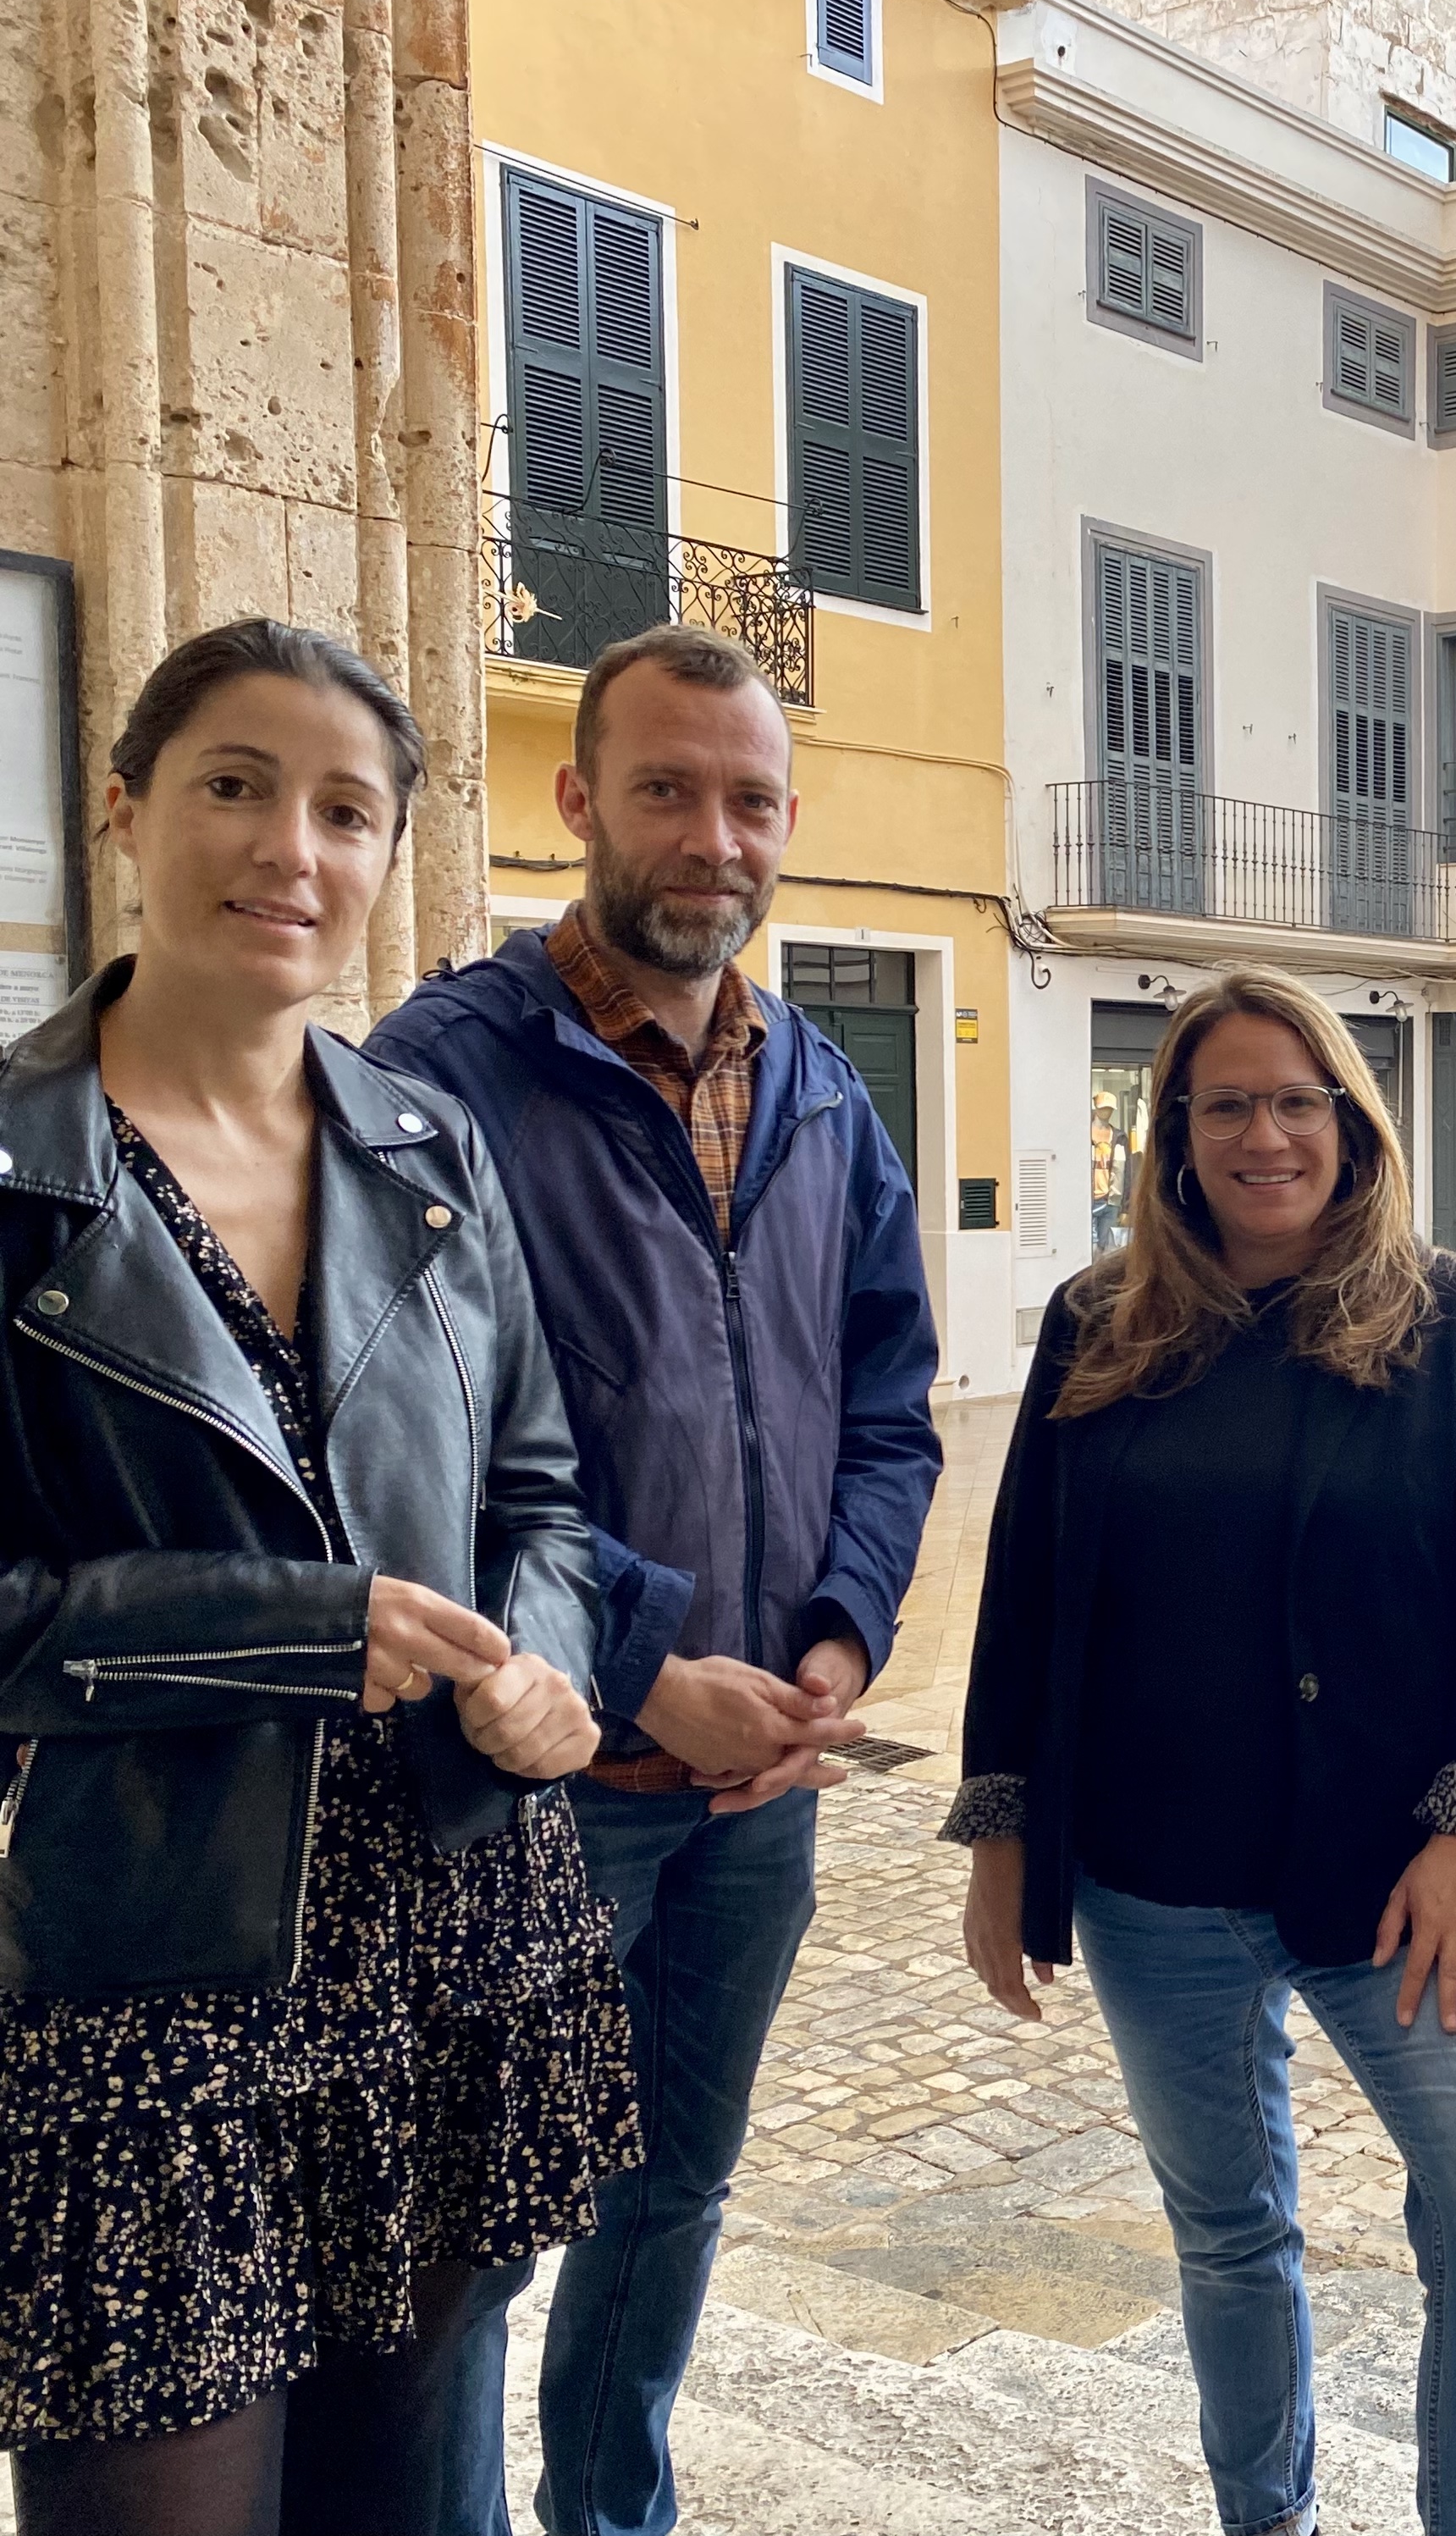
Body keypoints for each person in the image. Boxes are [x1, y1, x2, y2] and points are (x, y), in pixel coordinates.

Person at [0, 618, 631, 2533]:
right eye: (236, 786)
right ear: (127, 810)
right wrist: (295, 1635)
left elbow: (540, 1494)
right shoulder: (16, 1169)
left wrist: (545, 1665)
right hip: (148, 1974)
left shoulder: (428, 1150)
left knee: (407, 2500)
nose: (291, 847)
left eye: (346, 812)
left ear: (389, 857)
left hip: (448, 1929)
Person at [367, 625, 942, 2536]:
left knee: (674, 2189)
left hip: (758, 1797)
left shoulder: (821, 1091)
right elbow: (404, 1447)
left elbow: (886, 1399)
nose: (715, 838)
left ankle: (611, 2516)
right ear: (578, 801)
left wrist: (839, 1635)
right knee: (474, 2235)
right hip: (532, 1786)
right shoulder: (444, 1076)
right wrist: (641, 1666)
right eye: (668, 791)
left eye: (751, 800)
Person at [950, 964, 1456, 2536]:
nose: (1265, 1135)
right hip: (1151, 1883)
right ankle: (1266, 2516)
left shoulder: (1450, 1317)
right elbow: (1026, 1591)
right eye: (1225, 1104)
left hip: (1393, 1881)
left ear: (1351, 1125)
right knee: (1229, 2233)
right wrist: (1003, 1838)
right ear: (1173, 1132)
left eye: (1299, 1101)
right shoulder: (1098, 1322)